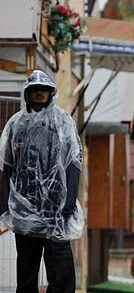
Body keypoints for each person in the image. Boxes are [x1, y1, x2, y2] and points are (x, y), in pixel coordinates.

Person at [0, 71, 83, 293]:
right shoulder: (16, 124)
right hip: (24, 207)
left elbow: (73, 162)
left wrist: (69, 199)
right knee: (26, 268)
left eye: (43, 89)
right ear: (28, 93)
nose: (39, 93)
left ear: (50, 93)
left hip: (55, 208)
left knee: (60, 269)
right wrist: (4, 204)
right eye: (35, 89)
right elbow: (7, 166)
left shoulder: (62, 121)